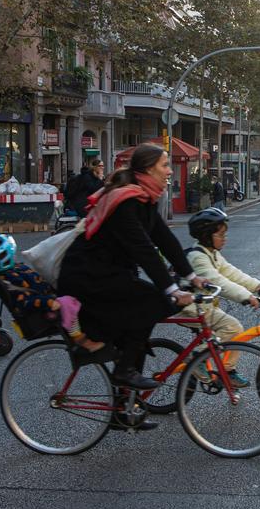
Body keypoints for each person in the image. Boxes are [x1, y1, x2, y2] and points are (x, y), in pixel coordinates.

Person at [58, 144, 203, 393]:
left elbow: (164, 239)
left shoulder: (143, 198)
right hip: (87, 275)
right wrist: (171, 289)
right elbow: (143, 250)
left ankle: (125, 410)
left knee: (134, 335)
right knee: (153, 303)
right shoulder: (126, 200)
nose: (170, 171)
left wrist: (191, 275)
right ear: (148, 169)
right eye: (165, 165)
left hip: (111, 273)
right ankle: (124, 371)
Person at [0, 234, 101, 353]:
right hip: (44, 308)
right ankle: (78, 337)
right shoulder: (12, 279)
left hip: (47, 296)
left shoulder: (11, 272)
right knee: (69, 302)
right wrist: (48, 302)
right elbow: (24, 302)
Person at [185, 207, 260, 386]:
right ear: (207, 236)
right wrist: (246, 296)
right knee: (232, 328)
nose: (225, 238)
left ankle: (226, 370)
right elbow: (219, 282)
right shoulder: (198, 257)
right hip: (189, 308)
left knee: (229, 330)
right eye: (220, 234)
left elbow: (231, 272)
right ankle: (198, 358)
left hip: (205, 307)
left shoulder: (212, 254)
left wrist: (256, 285)